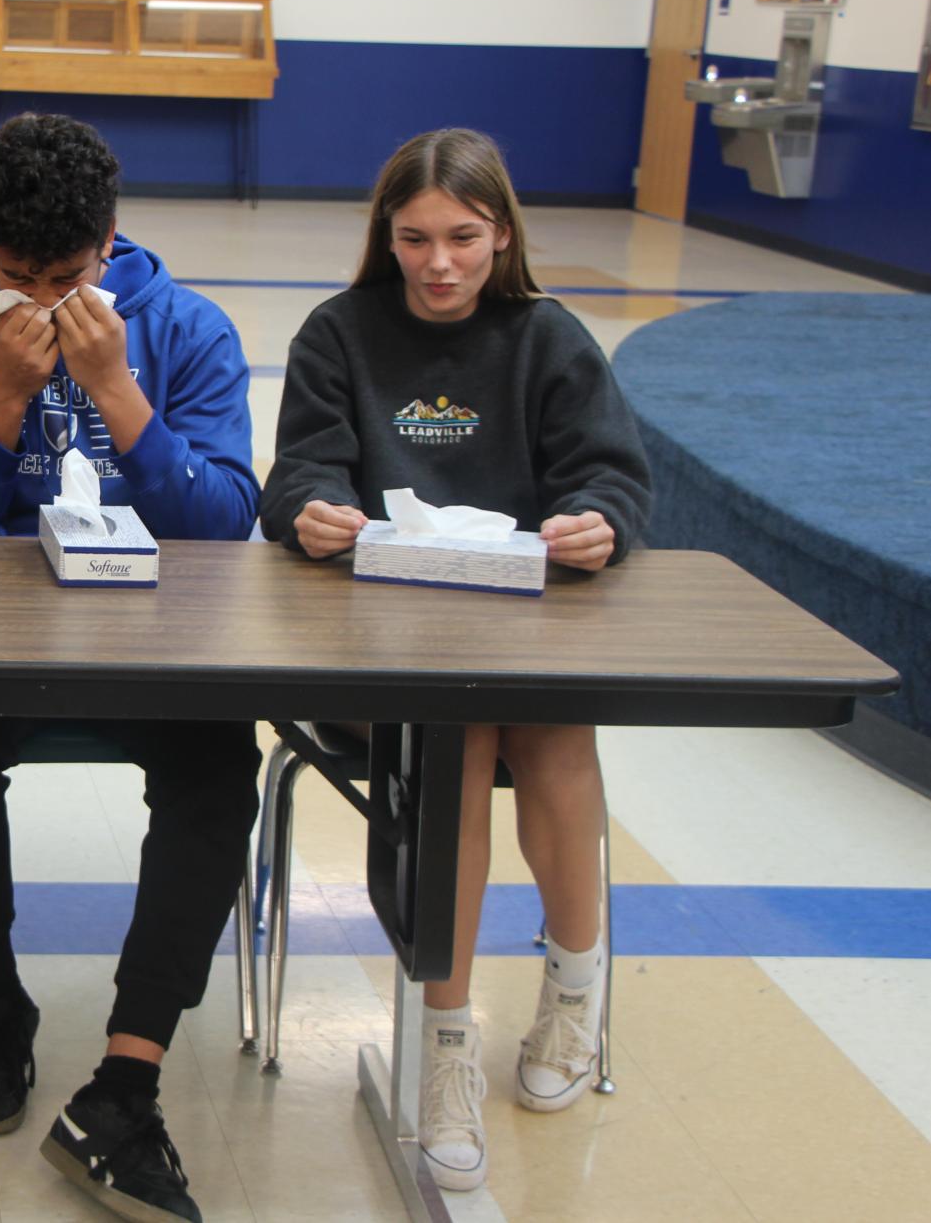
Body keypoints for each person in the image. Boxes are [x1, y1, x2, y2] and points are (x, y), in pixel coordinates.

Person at [259, 126, 653, 1192]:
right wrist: (311, 513)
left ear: (503, 233)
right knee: (460, 736)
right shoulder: (339, 334)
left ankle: (574, 993)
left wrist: (595, 522)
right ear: (386, 238)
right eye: (416, 238)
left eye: (464, 238)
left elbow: (613, 478)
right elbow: (294, 472)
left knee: (554, 726)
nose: (439, 263)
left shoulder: (549, 339)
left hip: (522, 635)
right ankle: (446, 1040)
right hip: (386, 650)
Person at [0, 112, 261, 1223]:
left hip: (153, 633)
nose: (46, 300)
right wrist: (1, 399)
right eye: (16, 275)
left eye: (69, 273)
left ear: (111, 237)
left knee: (215, 770)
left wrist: (121, 395)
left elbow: (226, 523)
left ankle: (127, 1076)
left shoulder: (188, 328)